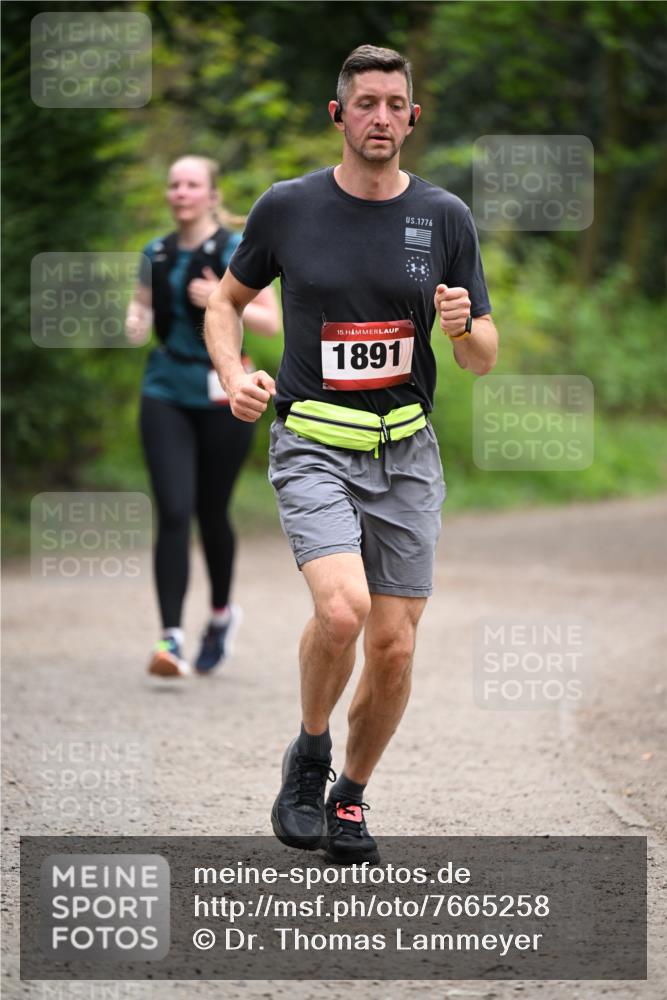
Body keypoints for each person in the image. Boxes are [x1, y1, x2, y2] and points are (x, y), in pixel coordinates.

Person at [204, 46, 498, 863]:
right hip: (313, 444)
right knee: (342, 610)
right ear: (339, 115)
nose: (379, 117)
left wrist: (460, 325)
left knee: (395, 645)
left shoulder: (444, 217)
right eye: (364, 103)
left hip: (405, 452)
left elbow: (480, 356)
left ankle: (351, 798)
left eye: (394, 104)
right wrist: (233, 374)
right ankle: (307, 758)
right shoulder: (287, 207)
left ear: (412, 117)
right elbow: (228, 303)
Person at [125, 155, 280, 679]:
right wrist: (132, 319)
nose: (181, 192)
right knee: (173, 509)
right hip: (165, 389)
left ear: (212, 195)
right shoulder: (156, 251)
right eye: (174, 184)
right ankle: (169, 638)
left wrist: (215, 298)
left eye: (192, 184)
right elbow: (142, 309)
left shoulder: (237, 250)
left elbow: (270, 322)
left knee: (212, 512)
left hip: (225, 391)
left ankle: (219, 616)